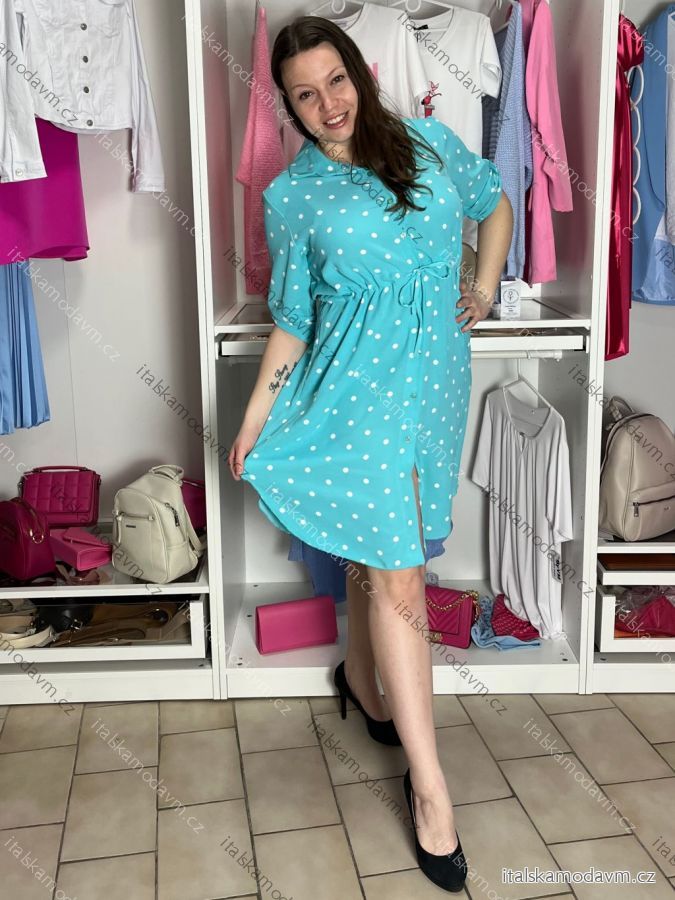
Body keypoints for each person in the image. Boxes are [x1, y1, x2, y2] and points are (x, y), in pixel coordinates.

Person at [229, 15, 512, 893]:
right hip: (354, 400)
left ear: (359, 72)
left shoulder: (430, 144)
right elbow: (292, 320)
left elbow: (494, 203)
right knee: (399, 576)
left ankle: (359, 675)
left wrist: (483, 287)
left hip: (432, 389)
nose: (327, 104)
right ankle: (430, 793)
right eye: (304, 94)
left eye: (335, 80)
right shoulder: (291, 196)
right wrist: (254, 418)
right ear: (288, 107)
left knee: (383, 551)